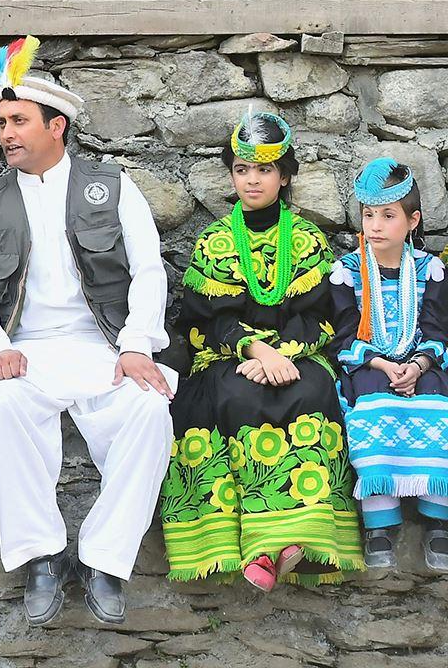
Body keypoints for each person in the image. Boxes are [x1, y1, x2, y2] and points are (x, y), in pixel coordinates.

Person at [0, 38, 173, 625]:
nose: (6, 134)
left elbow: (149, 268)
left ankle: (104, 559)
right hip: (24, 351)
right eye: (1, 122)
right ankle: (43, 557)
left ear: (58, 126)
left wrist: (134, 346)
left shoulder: (113, 187)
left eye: (19, 121)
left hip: (105, 347)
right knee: (5, 403)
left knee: (151, 410)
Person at [160, 112, 360, 588]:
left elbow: (322, 317)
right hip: (229, 358)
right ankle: (257, 547)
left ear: (284, 175)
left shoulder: (309, 240)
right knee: (234, 396)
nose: (252, 179)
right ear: (231, 175)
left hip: (298, 357)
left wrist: (283, 355)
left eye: (265, 170)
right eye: (242, 169)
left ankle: (301, 545)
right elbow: (203, 322)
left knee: (315, 390)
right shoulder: (215, 242)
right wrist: (255, 352)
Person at [331, 157, 448, 572]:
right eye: (368, 215)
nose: (375, 225)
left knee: (436, 398)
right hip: (369, 363)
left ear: (412, 220)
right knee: (370, 398)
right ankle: (380, 521)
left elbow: (437, 329)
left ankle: (438, 520)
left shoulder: (429, 270)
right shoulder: (346, 272)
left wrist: (417, 365)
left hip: (421, 363)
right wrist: (381, 364)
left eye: (387, 215)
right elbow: (343, 335)